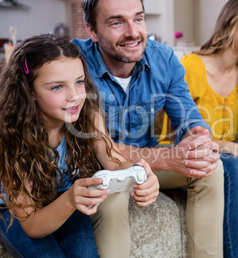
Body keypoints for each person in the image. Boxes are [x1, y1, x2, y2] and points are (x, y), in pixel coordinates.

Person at [72, 0, 224, 257]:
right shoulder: (74, 62)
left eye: (138, 18)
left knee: (210, 167)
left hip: (144, 162)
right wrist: (166, 159)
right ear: (92, 31)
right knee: (111, 196)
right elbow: (96, 148)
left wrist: (197, 137)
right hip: (95, 166)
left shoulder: (163, 59)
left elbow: (189, 118)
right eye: (117, 22)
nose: (133, 32)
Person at [0, 34, 159, 257]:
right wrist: (70, 199)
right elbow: (33, 226)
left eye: (79, 82)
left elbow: (112, 158)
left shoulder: (88, 114)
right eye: (57, 87)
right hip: (15, 211)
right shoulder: (12, 136)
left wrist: (139, 175)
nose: (75, 96)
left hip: (64, 195)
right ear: (30, 91)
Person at [161, 0, 238, 258]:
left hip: (228, 149)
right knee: (237, 167)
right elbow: (173, 137)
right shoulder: (191, 68)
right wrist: (232, 148)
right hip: (193, 152)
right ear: (231, 22)